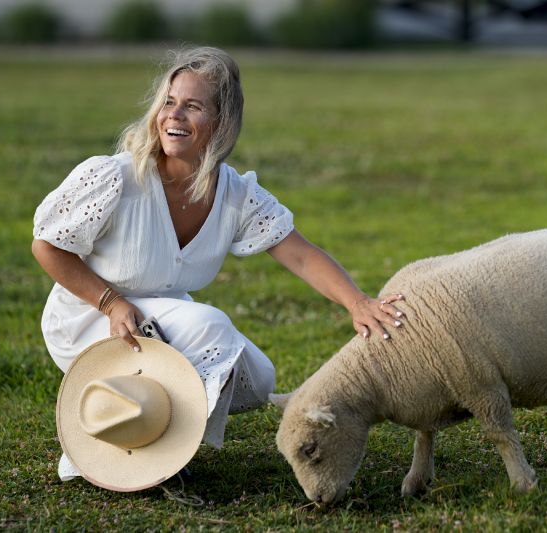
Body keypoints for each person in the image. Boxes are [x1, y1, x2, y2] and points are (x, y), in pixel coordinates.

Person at [31, 47, 404, 482]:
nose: (175, 115)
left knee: (256, 378)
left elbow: (300, 253)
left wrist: (357, 302)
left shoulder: (235, 194)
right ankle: (158, 454)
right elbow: (48, 247)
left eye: (193, 106)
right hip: (87, 316)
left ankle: (125, 422)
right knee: (211, 327)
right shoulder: (116, 177)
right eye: (169, 103)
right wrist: (111, 302)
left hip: (159, 320)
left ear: (222, 122)